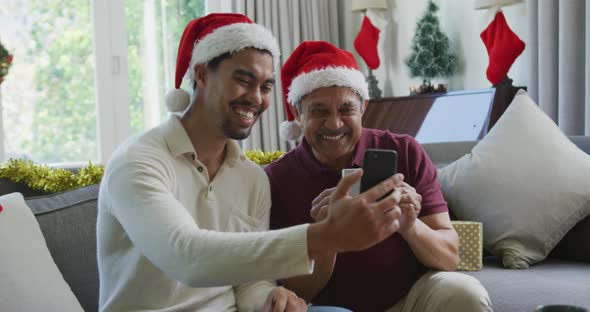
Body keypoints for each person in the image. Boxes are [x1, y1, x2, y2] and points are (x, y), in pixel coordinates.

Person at [97, 14, 404, 312]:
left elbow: (249, 285)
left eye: (266, 86)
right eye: (243, 81)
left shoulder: (251, 178)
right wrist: (326, 236)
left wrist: (272, 298)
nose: (256, 98)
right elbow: (186, 256)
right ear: (202, 74)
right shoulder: (138, 161)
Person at [265, 40, 493, 312]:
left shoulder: (404, 151)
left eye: (347, 109)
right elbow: (296, 292)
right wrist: (328, 236)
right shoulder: (277, 179)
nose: (335, 124)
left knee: (464, 293)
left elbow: (449, 257)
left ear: (363, 108)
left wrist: (409, 225)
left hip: (409, 299)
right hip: (329, 307)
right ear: (298, 116)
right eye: (319, 111)